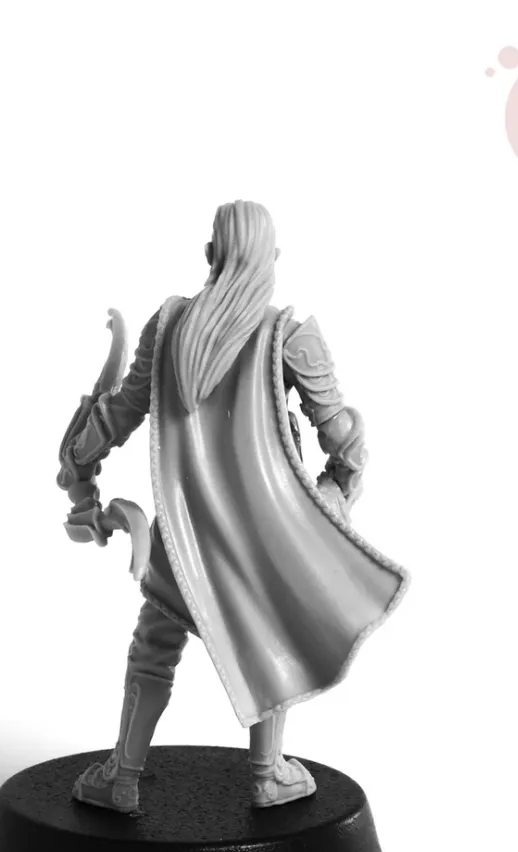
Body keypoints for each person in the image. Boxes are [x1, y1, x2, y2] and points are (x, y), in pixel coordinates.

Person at [58, 201, 408, 813]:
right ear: (273, 260)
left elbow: (119, 414)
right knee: (272, 635)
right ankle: (267, 775)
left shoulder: (168, 327)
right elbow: (344, 441)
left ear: (210, 255)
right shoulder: (289, 336)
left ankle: (123, 777)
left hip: (184, 537)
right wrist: (330, 497)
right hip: (266, 538)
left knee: (154, 644)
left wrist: (80, 463)